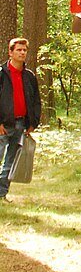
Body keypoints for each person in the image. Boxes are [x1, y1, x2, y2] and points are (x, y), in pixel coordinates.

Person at [0, 37, 41, 201]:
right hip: (3, 125)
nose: (22, 53)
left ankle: (2, 194)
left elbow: (36, 100)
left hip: (20, 124)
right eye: (19, 50)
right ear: (11, 52)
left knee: (10, 163)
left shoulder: (29, 76)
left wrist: (33, 123)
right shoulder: (2, 74)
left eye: (24, 50)